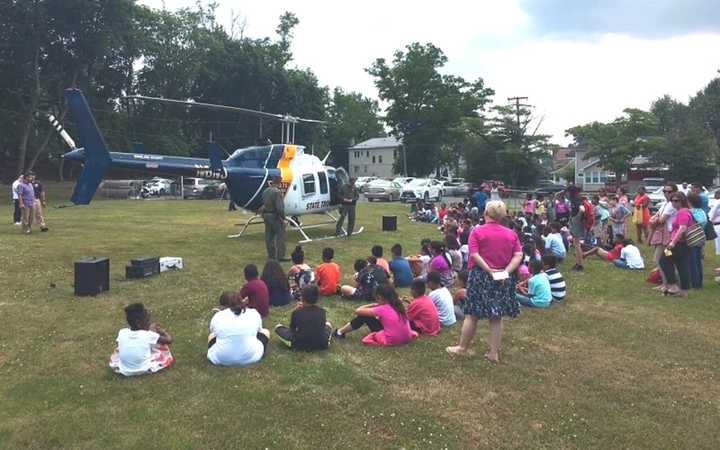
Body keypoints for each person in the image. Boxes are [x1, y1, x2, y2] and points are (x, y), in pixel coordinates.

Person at [446, 200, 523, 362]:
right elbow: (518, 255)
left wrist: (488, 270)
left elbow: (474, 254)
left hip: (480, 276)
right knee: (496, 316)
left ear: (486, 213)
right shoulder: (511, 234)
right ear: (502, 216)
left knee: (472, 314)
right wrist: (505, 272)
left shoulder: (477, 231)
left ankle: (462, 348)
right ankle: (493, 353)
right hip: (503, 276)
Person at [334, 285, 417, 346]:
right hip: (406, 337)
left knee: (364, 316)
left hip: (392, 340)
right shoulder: (399, 305)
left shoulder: (382, 308)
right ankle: (340, 332)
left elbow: (358, 311)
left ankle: (339, 332)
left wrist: (373, 305)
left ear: (380, 297)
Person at [109, 303, 174, 376]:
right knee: (162, 347)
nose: (149, 323)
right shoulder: (148, 335)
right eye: (147, 320)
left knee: (118, 349)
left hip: (124, 369)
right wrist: (160, 331)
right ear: (138, 323)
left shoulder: (122, 332)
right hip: (143, 369)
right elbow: (169, 340)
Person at [207, 292, 270, 366]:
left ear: (222, 305)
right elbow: (259, 330)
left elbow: (212, 331)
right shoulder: (253, 313)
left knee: (211, 336)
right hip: (251, 357)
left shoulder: (218, 316)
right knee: (265, 332)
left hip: (221, 359)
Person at [275, 285, 332, 351]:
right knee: (328, 324)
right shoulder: (322, 311)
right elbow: (322, 327)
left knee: (278, 327)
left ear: (302, 298)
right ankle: (325, 341)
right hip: (321, 343)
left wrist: (296, 310)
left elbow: (292, 329)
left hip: (299, 344)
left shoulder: (297, 312)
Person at [658, 192, 693, 297]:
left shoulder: (682, 212)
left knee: (663, 260)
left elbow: (682, 228)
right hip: (682, 244)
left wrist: (673, 242)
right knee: (682, 265)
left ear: (682, 201)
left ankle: (673, 285)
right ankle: (684, 292)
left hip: (677, 244)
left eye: (676, 200)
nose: (674, 203)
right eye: (672, 200)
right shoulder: (685, 211)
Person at [649, 184, 678, 288]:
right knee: (666, 259)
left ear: (675, 192)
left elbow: (661, 219)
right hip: (663, 236)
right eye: (664, 191)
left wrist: (655, 219)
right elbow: (656, 216)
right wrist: (655, 218)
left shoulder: (671, 204)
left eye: (669, 191)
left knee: (659, 259)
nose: (666, 193)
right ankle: (666, 282)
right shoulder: (665, 203)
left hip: (668, 237)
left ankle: (666, 284)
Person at [260, 175, 287, 261]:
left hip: (266, 215)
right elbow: (279, 208)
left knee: (269, 237)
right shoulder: (277, 192)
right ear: (279, 182)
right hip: (274, 216)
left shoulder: (266, 191)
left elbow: (264, 204)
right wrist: (283, 218)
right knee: (280, 236)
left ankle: (271, 255)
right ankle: (281, 256)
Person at [687, 192, 707, 289]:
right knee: (698, 262)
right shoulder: (702, 212)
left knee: (692, 261)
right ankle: (699, 282)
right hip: (700, 238)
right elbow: (704, 223)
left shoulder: (690, 212)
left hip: (691, 238)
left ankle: (694, 283)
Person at [567, 187, 586, 271]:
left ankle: (580, 265)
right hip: (574, 220)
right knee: (576, 243)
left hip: (576, 222)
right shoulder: (574, 199)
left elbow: (582, 209)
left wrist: (576, 217)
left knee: (577, 244)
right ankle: (578, 262)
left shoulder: (576, 199)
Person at [709, 190, 720, 256]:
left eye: (716, 194)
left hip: (718, 225)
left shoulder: (717, 202)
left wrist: (710, 219)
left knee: (719, 244)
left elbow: (712, 214)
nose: (715, 196)